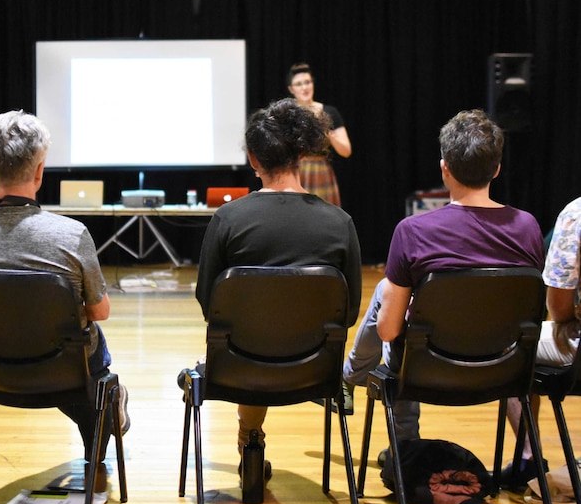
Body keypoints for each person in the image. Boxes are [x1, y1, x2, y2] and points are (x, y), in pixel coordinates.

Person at [0, 110, 129, 492]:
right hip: (63, 371)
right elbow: (100, 311)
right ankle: (105, 412)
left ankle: (101, 412)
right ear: (40, 171)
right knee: (87, 344)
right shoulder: (71, 235)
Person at [341, 109, 544, 464]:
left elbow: (388, 332)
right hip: (504, 367)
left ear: (444, 168)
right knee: (393, 299)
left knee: (395, 313)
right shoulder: (527, 227)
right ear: (496, 169)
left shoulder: (413, 231)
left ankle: (403, 448)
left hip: (426, 372)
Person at [193, 97, 362, 482]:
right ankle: (250, 435)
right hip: (317, 371)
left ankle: (249, 436)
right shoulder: (340, 223)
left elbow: (209, 303)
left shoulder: (228, 219)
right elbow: (348, 312)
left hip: (239, 368)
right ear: (302, 152)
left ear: (254, 158)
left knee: (251, 342)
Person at [502, 197, 581, 489]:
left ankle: (528, 459)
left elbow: (559, 306)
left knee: (508, 345)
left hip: (577, 346)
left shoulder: (576, 214)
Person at [285, 63, 351, 207]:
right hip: (295, 172)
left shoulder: (329, 112)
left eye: (307, 82)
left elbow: (346, 151)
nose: (304, 87)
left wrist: (330, 135)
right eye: (299, 84)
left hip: (321, 172)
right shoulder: (288, 113)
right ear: (291, 89)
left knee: (324, 217)